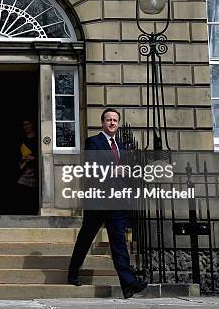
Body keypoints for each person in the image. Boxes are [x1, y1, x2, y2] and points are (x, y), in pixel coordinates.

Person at [67, 108, 148, 298]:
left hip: (117, 201)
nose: (112, 123)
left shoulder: (122, 145)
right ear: (102, 123)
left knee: (119, 242)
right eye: (109, 120)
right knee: (86, 238)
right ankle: (72, 272)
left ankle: (128, 285)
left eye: (115, 120)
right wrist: (112, 171)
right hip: (97, 200)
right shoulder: (93, 142)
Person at [16, 120, 39, 214]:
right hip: (24, 169)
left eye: (28, 124)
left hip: (35, 169)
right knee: (22, 189)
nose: (26, 127)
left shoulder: (38, 138)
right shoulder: (21, 139)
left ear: (32, 125)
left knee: (34, 192)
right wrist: (22, 158)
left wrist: (34, 158)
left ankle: (33, 211)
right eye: (24, 125)